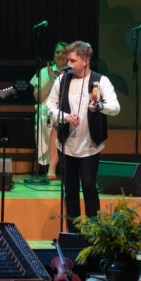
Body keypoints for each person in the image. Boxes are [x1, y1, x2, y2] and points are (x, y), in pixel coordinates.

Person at [45, 41, 120, 231]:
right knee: (70, 191)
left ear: (85, 60)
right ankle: (73, 233)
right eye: (67, 59)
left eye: (72, 60)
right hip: (67, 144)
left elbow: (115, 107)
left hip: (90, 146)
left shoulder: (100, 81)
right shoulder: (62, 80)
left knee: (88, 186)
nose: (67, 63)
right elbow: (49, 107)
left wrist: (100, 106)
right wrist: (65, 116)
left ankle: (94, 232)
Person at [31, 41, 68, 180]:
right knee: (47, 119)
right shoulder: (44, 72)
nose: (60, 55)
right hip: (46, 110)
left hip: (66, 111)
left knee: (56, 123)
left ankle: (51, 166)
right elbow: (38, 98)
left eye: (63, 52)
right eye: (57, 52)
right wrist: (52, 80)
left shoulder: (72, 72)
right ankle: (51, 165)